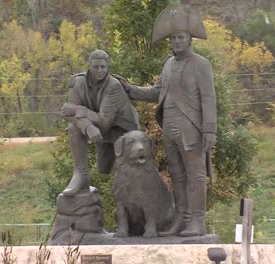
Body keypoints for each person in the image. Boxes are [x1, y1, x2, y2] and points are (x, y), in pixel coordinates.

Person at [124, 5, 217, 237]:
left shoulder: (201, 64)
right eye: (173, 38)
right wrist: (131, 90)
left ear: (190, 39)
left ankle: (197, 221)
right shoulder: (167, 64)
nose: (176, 41)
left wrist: (209, 130)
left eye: (181, 37)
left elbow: (208, 98)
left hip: (191, 127)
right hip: (170, 127)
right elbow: (158, 92)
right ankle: (181, 220)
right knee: (177, 175)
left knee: (195, 175)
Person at [61, 49, 139, 196]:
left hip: (122, 132)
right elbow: (69, 114)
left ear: (108, 67)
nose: (100, 70)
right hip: (101, 128)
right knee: (74, 128)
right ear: (89, 66)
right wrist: (87, 126)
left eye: (103, 66)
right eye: (96, 66)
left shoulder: (113, 86)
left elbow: (104, 122)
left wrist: (81, 110)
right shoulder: (77, 82)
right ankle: (80, 176)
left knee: (128, 182)